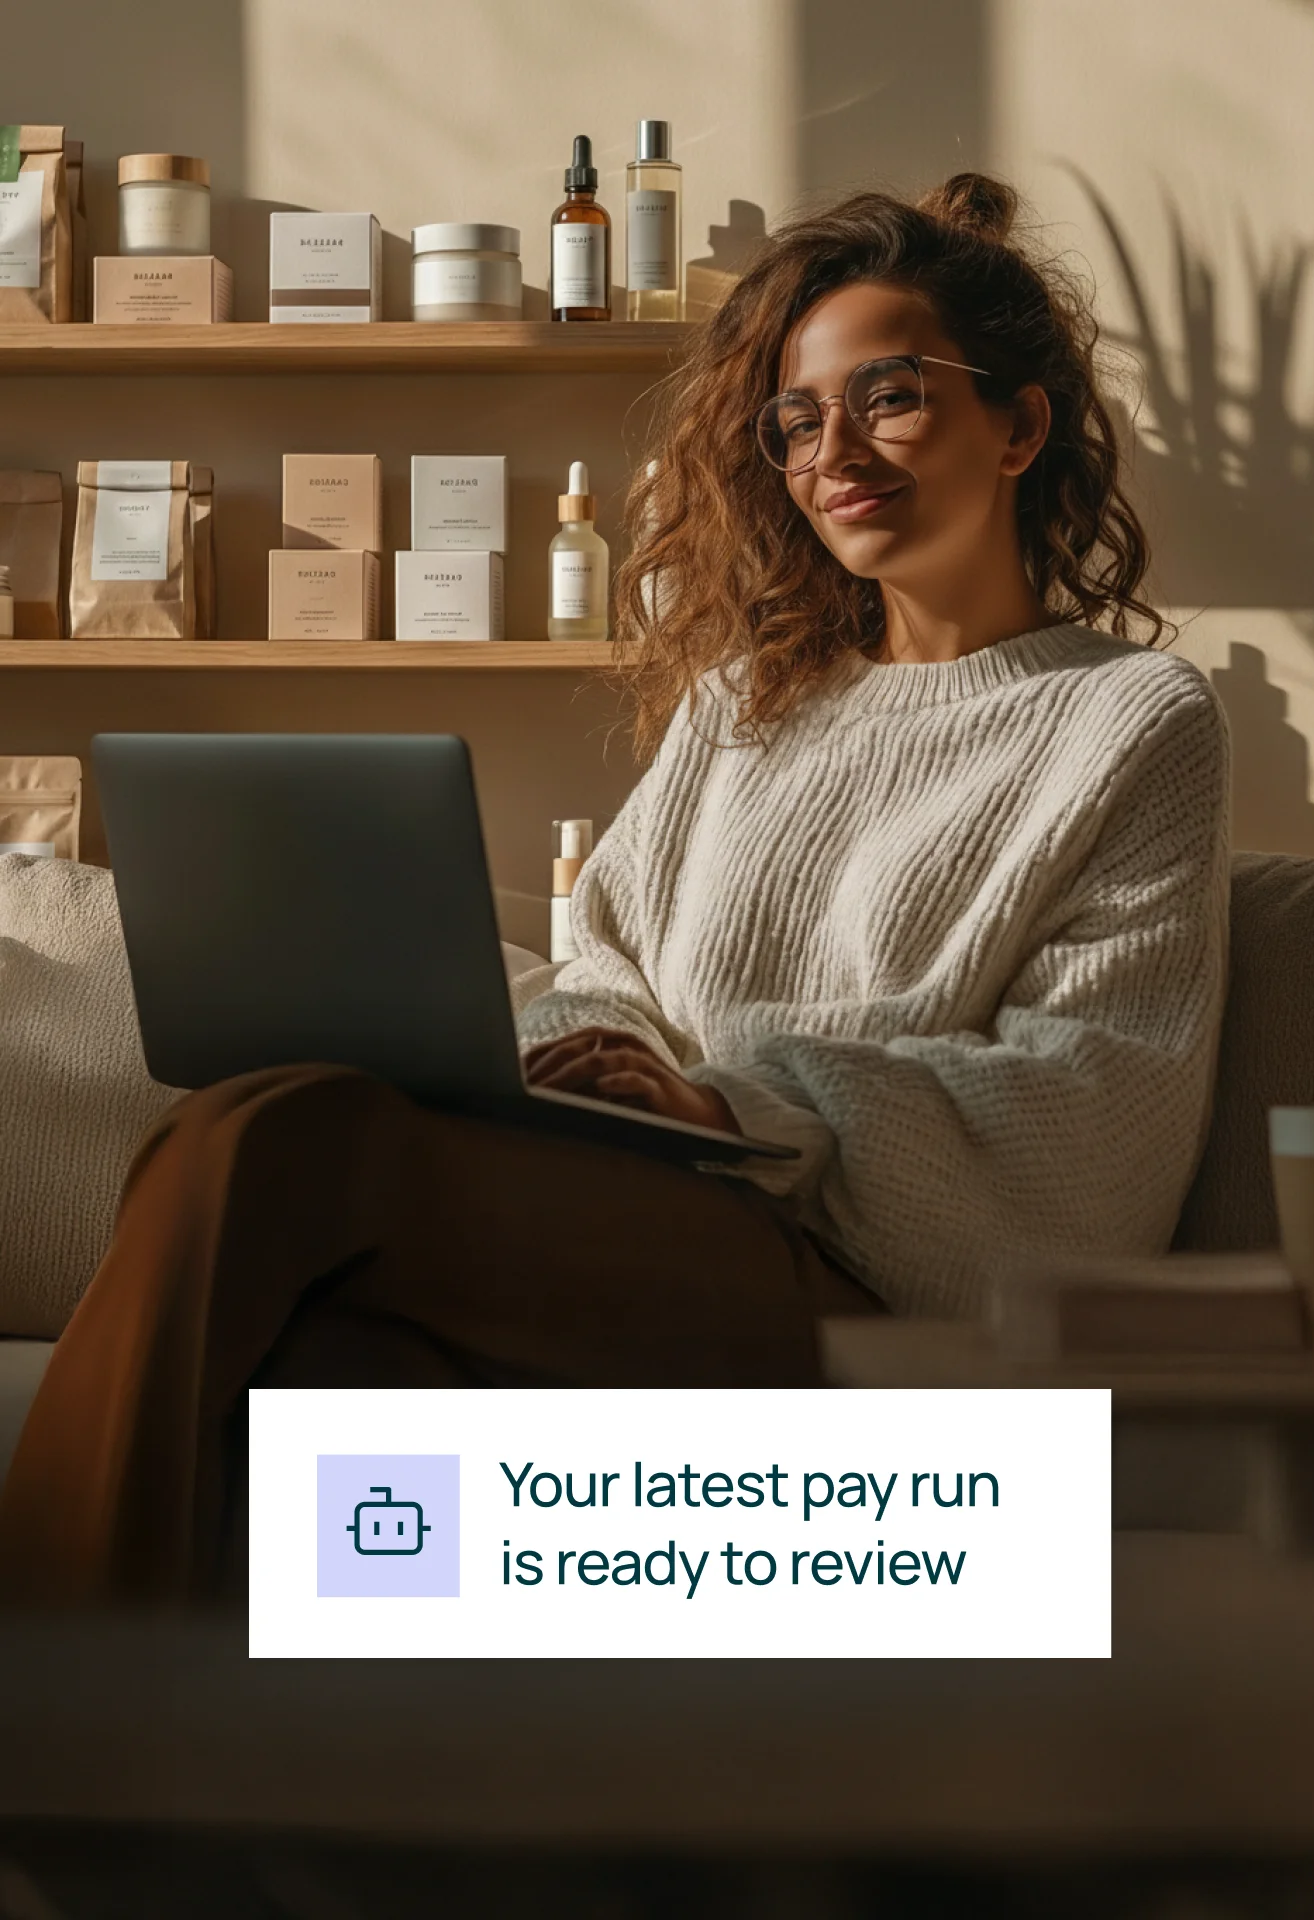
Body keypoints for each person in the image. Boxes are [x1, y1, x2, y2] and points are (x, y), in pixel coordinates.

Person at [0, 173, 1231, 1603]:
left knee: (288, 1141)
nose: (835, 450)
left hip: (853, 1274)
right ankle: (259, 1792)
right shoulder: (743, 711)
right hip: (631, 1214)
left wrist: (740, 1103)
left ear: (1020, 424)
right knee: (335, 1347)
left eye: (891, 397)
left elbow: (1099, 1113)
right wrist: (595, 1070)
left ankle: (50, 1712)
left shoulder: (1134, 721)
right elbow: (606, 972)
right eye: (799, 417)